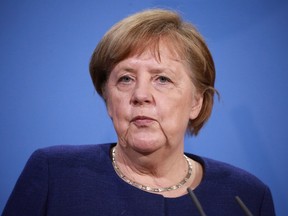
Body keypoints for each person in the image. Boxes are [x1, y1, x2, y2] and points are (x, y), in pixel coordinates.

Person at [2, 9, 275, 216]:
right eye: (125, 79)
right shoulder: (56, 175)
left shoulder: (247, 196)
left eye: (162, 79)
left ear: (196, 103)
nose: (141, 95)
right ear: (109, 100)